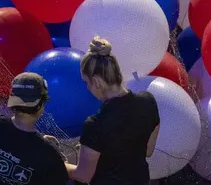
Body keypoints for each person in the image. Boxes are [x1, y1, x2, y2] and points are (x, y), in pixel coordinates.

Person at [66, 36, 160, 185]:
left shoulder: (95, 124)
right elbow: (147, 151)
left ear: (96, 82)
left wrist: (59, 163)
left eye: (86, 83)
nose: (87, 88)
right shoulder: (148, 101)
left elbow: (83, 175)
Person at [0, 72, 69, 185]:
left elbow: (14, 143)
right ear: (41, 105)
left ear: (11, 99)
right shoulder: (48, 154)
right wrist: (61, 160)